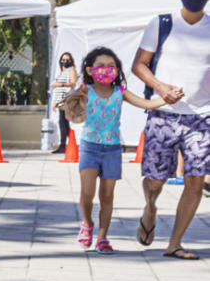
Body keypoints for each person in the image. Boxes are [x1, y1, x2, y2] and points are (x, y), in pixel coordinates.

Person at [132, 0, 210, 260]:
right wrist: (160, 88)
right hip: (163, 114)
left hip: (202, 117)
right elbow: (139, 65)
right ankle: (150, 208)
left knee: (196, 179)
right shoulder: (162, 24)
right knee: (154, 180)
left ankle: (174, 242)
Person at [67, 47, 175, 254]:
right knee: (87, 193)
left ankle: (102, 238)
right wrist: (74, 98)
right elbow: (71, 115)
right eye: (100, 66)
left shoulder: (120, 92)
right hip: (89, 147)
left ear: (117, 70)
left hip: (113, 150)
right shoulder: (84, 91)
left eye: (111, 66)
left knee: (107, 196)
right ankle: (87, 223)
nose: (105, 70)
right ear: (90, 70)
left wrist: (168, 97)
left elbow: (147, 103)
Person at [50, 51, 77, 154]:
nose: (65, 61)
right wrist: (55, 102)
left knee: (63, 123)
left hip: (68, 100)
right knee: (64, 123)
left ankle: (64, 145)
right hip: (61, 100)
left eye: (67, 60)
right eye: (63, 60)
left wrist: (59, 84)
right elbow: (58, 90)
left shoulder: (71, 70)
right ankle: (68, 144)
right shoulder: (62, 71)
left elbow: (73, 83)